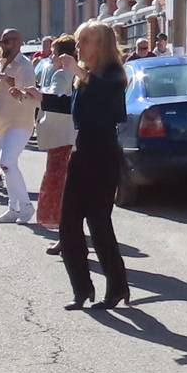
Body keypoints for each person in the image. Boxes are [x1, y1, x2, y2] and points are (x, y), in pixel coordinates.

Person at [60, 21, 130, 309]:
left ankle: (117, 288)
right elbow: (76, 109)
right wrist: (40, 98)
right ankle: (82, 289)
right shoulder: (84, 78)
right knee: (67, 224)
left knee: (99, 223)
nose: (77, 49)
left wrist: (81, 74)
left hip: (103, 154)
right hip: (82, 152)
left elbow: (114, 107)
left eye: (83, 42)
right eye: (77, 43)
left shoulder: (112, 74)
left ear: (100, 44)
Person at [0, 28, 40, 224]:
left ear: (18, 42)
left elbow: (27, 93)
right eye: (2, 41)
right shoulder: (2, 63)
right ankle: (13, 207)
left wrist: (6, 79)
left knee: (7, 162)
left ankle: (25, 206)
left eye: (8, 41)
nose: (4, 45)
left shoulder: (24, 66)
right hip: (1, 120)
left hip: (19, 121)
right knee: (6, 166)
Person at [35, 36, 80, 253]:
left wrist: (37, 96)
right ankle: (68, 237)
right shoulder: (72, 74)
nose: (50, 56)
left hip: (62, 139)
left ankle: (67, 238)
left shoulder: (62, 74)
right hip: (69, 138)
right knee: (67, 189)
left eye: (53, 52)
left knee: (60, 189)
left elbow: (59, 101)